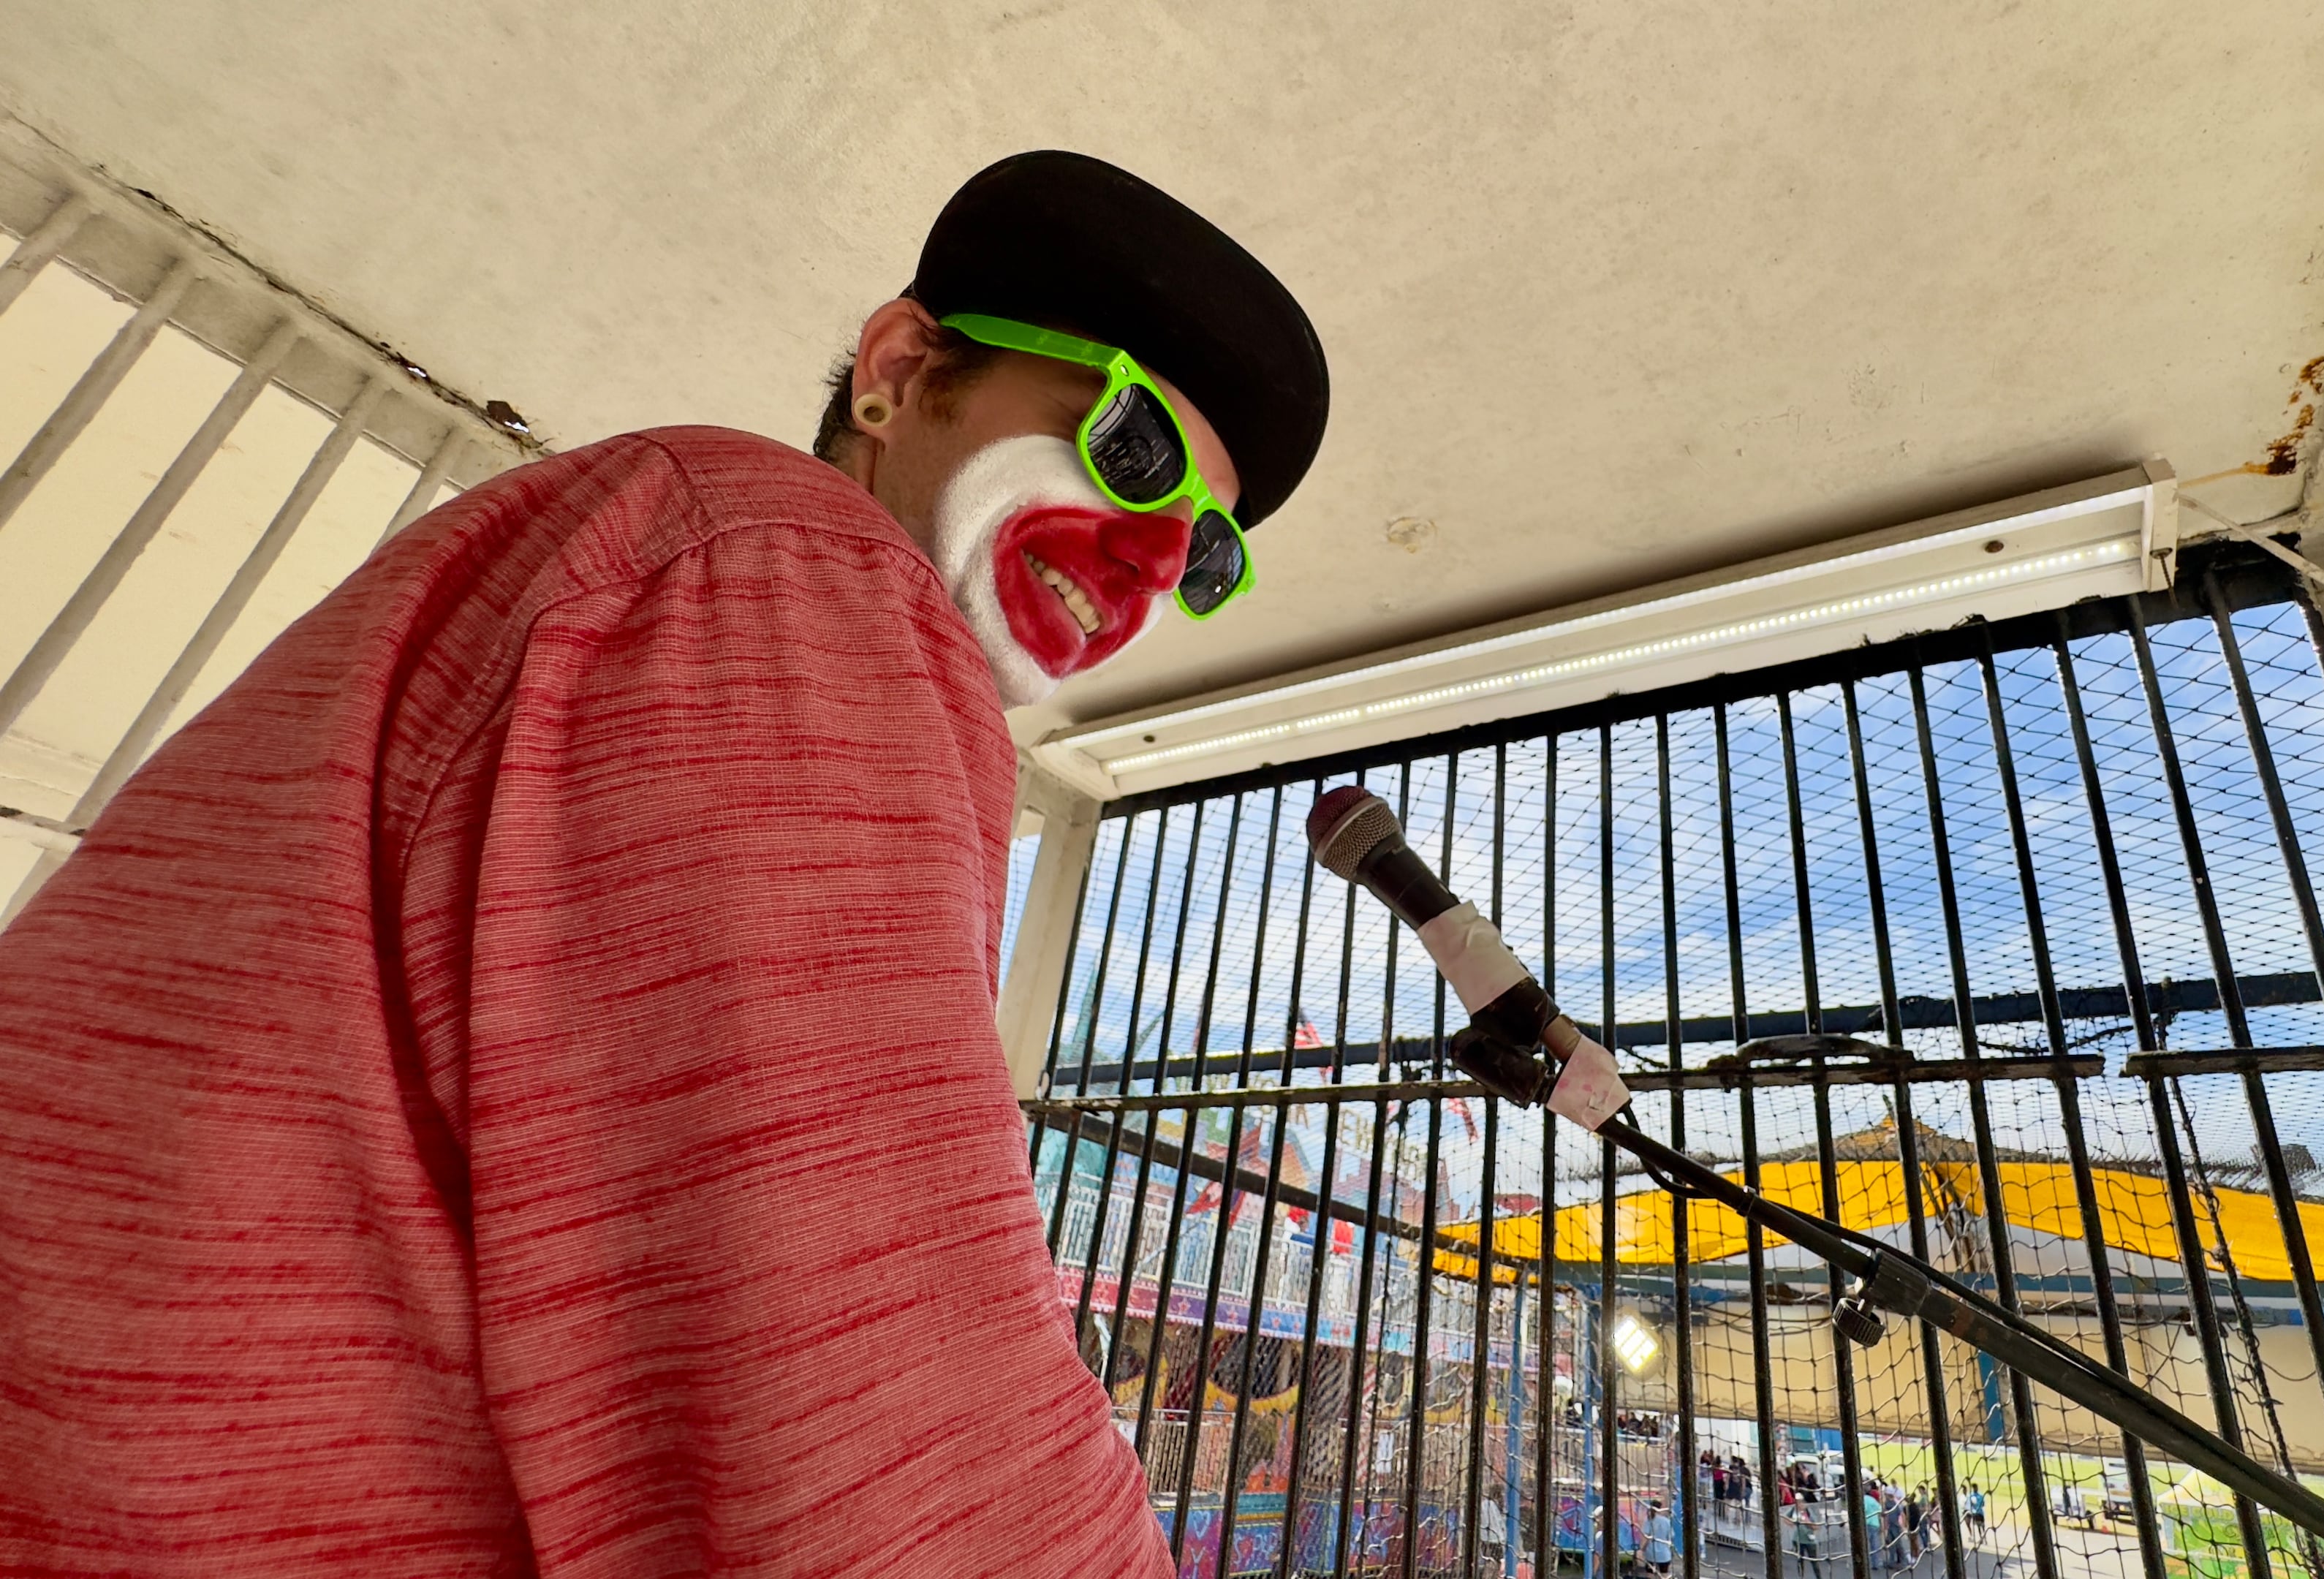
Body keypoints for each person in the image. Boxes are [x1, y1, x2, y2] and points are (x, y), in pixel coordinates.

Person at [0, 150, 1329, 1576]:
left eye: (1203, 554)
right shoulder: (787, 569)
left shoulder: (664, 553)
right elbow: (873, 1419)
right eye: (1136, 454)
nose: (1149, 561)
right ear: (899, 367)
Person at [1643, 1499, 1677, 1578]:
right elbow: (1671, 1537)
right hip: (1664, 1554)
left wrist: (1642, 1550)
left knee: (1650, 1574)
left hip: (1651, 1553)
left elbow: (1646, 1538)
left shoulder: (1649, 1520)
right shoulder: (1667, 1521)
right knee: (1664, 1574)